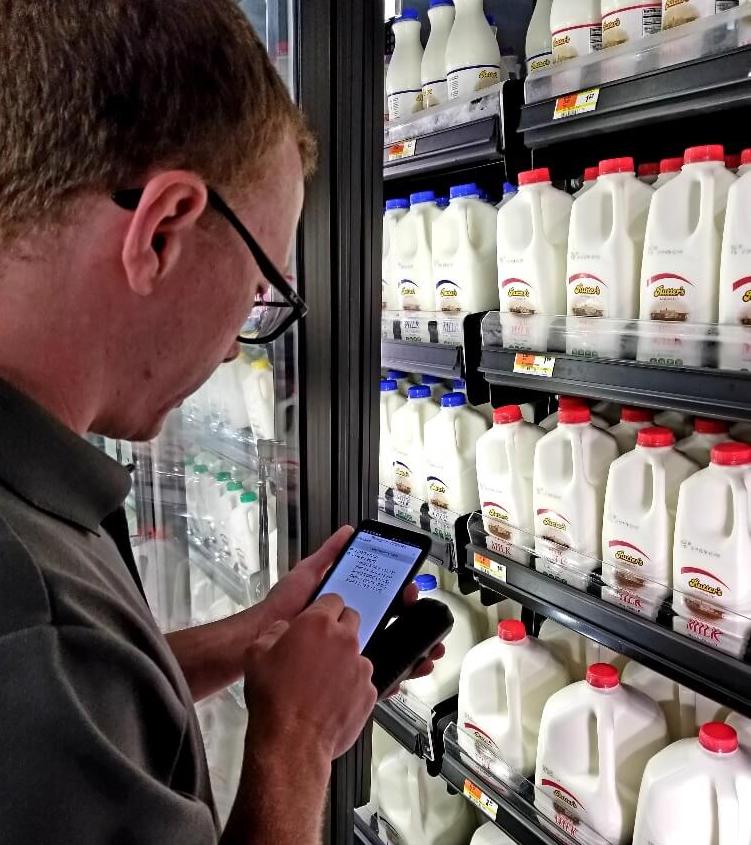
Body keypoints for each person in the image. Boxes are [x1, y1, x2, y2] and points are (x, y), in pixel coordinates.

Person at [0, 2, 443, 843]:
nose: (245, 325)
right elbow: (54, 671)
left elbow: (95, 702)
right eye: (259, 288)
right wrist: (297, 744)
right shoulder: (30, 624)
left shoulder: (38, 503)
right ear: (162, 231)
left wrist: (254, 638)